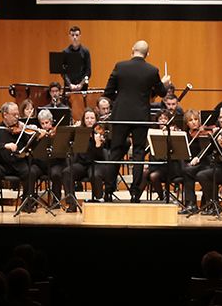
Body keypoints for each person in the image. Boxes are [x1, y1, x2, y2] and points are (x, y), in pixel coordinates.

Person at [102, 38, 171, 202]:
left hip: (121, 116)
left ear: (132, 49)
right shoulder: (152, 70)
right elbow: (162, 93)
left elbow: (108, 92)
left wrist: (122, 100)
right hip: (141, 116)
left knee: (115, 152)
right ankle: (134, 193)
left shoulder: (120, 66)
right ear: (148, 54)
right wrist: (165, 83)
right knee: (139, 153)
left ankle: (108, 192)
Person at [0, 102, 39, 212]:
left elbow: (29, 145)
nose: (17, 117)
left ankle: (27, 203)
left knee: (31, 172)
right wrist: (4, 146)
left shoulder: (21, 128)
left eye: (17, 114)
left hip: (18, 162)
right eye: (14, 114)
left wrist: (27, 133)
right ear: (5, 115)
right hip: (1, 163)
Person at [59, 25, 91, 94]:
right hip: (69, 87)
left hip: (82, 87)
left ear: (80, 36)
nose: (74, 37)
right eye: (72, 35)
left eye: (76, 35)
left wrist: (81, 84)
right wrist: (69, 84)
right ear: (69, 36)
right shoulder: (65, 52)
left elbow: (88, 71)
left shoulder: (85, 51)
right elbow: (63, 72)